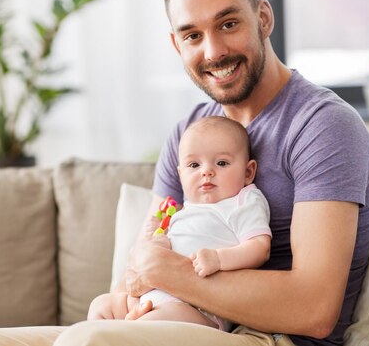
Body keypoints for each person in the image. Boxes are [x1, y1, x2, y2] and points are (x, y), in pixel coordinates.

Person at [0, 0, 369, 346]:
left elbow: (314, 310)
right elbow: (145, 255)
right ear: (175, 43)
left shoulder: (323, 126)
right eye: (192, 35)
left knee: (92, 342)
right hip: (162, 319)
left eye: (229, 23)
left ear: (263, 17)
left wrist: (166, 274)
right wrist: (127, 295)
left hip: (264, 337)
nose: (214, 50)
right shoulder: (190, 133)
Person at [87, 116, 272, 332]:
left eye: (221, 163)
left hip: (196, 308)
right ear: (181, 175)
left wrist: (219, 259)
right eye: (194, 165)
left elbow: (260, 247)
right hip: (151, 297)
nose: (206, 171)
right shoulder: (184, 210)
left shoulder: (243, 201)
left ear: (248, 172)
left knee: (146, 328)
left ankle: (128, 332)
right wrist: (154, 237)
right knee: (100, 305)